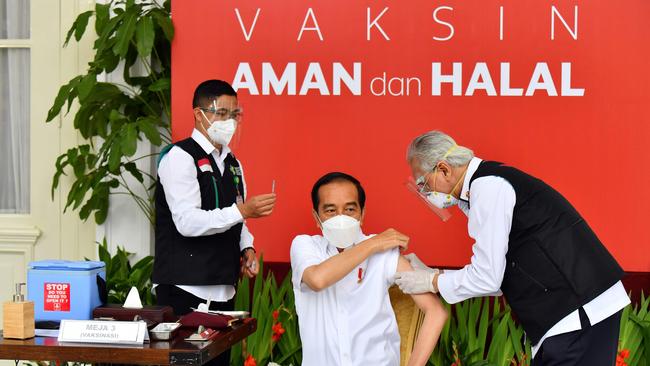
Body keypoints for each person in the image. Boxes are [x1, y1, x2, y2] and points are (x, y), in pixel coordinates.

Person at [395, 131, 630, 365]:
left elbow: (488, 279)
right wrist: (435, 276)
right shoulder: (489, 183)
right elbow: (499, 274)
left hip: (576, 315)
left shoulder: (488, 187)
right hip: (576, 313)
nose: (426, 194)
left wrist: (432, 281)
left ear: (444, 169)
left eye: (424, 184)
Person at [152, 80, 276, 365]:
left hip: (223, 290)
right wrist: (242, 211)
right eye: (221, 113)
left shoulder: (233, 162)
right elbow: (187, 221)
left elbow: (238, 218)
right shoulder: (180, 157)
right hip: (185, 290)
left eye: (234, 114)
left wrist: (247, 249)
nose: (229, 121)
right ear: (199, 114)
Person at [290, 172, 448, 366]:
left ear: (362, 214)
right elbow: (317, 280)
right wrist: (373, 244)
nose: (341, 218)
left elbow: (435, 312)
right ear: (317, 217)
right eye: (330, 211)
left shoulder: (384, 253)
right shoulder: (305, 246)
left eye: (349, 209)